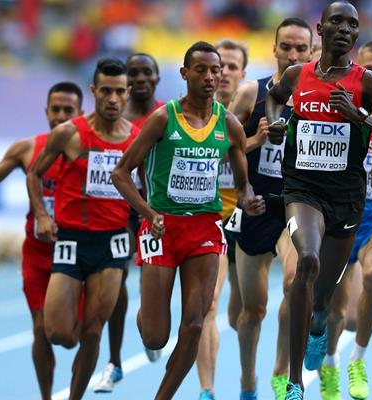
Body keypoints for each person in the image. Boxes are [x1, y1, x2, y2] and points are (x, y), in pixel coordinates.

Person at [265, 2, 372, 398]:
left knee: (327, 295)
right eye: (337, 22)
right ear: (321, 28)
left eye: (352, 24)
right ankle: (295, 381)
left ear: (356, 34)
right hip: (302, 190)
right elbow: (275, 96)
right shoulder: (298, 74)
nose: (345, 29)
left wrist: (359, 116)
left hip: (346, 196)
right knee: (307, 262)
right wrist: (278, 123)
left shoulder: (367, 83)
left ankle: (317, 322)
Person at [111, 41, 265, 400]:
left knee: (195, 324)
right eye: (201, 70)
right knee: (155, 336)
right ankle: (147, 315)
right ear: (185, 74)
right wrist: (148, 213)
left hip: (204, 230)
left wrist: (250, 200)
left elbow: (243, 186)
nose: (211, 76)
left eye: (216, 70)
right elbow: (121, 174)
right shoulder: (164, 118)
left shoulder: (227, 124)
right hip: (161, 227)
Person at [0, 82, 83, 400]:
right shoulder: (27, 148)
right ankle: (46, 395)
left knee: (71, 337)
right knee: (41, 329)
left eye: (68, 110)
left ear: (81, 113)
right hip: (39, 253)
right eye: (55, 109)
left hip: (79, 253)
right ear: (46, 112)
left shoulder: (89, 148)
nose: (61, 116)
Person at [27, 58, 138, 400]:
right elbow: (34, 174)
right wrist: (43, 216)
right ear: (94, 91)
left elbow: (147, 185)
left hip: (113, 242)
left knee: (93, 331)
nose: (113, 99)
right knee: (58, 332)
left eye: (120, 92)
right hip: (72, 240)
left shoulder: (137, 137)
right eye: (106, 90)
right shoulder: (69, 133)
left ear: (128, 93)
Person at [228, 17, 313, 400]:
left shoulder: (319, 98)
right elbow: (222, 151)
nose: (293, 54)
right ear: (275, 49)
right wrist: (256, 140)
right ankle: (248, 382)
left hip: (296, 205)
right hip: (256, 206)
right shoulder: (251, 94)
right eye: (287, 47)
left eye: (301, 48)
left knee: (296, 281)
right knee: (253, 310)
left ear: (311, 52)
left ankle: (282, 372)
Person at [319, 40, 372, 400]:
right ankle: (330, 362)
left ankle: (359, 359)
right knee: (336, 314)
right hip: (341, 215)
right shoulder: (338, 107)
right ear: (357, 71)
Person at [94, 52, 166, 393]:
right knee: (117, 276)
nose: (138, 79)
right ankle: (115, 362)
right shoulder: (114, 115)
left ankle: (152, 328)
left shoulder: (170, 114)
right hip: (121, 208)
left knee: (152, 281)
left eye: (145, 72)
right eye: (132, 73)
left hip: (157, 209)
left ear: (156, 78)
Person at [196, 38, 248, 400]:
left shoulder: (255, 113)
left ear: (243, 74)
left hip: (246, 223)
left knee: (239, 314)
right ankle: (207, 390)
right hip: (211, 220)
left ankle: (247, 381)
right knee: (208, 305)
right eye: (220, 66)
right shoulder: (194, 117)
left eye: (232, 67)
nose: (224, 73)